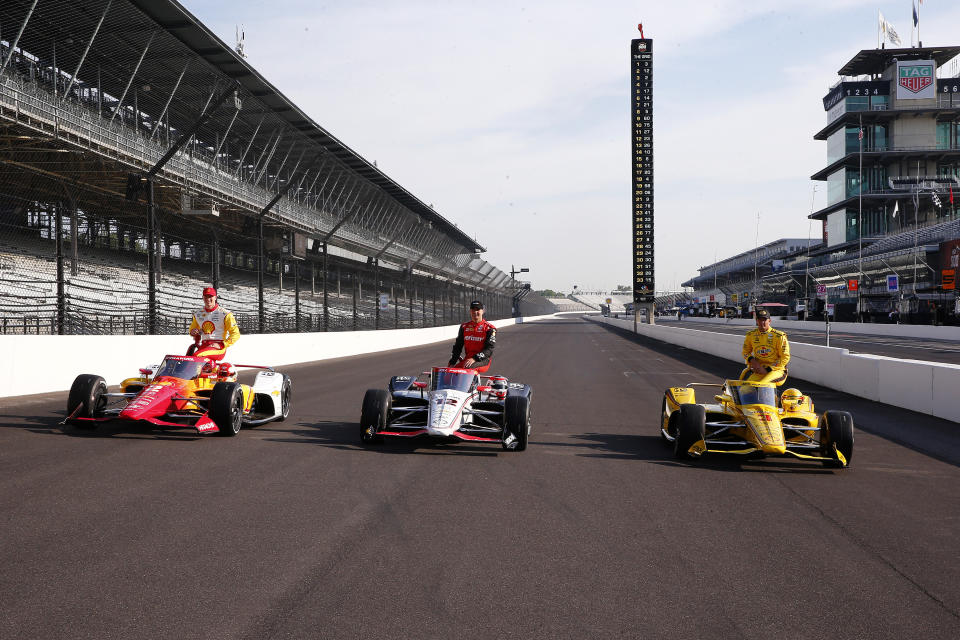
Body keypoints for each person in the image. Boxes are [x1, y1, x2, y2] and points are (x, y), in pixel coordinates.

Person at [188, 287, 240, 362]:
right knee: (187, 359)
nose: (208, 299)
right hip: (203, 346)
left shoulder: (225, 314)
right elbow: (192, 330)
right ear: (203, 298)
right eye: (206, 297)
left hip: (218, 348)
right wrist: (193, 332)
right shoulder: (198, 314)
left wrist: (222, 344)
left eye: (210, 297)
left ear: (215, 297)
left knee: (197, 356)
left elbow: (236, 334)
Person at [740, 308, 790, 386]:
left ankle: (774, 398)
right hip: (760, 370)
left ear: (769, 321)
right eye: (759, 319)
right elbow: (745, 352)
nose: (762, 322)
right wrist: (753, 362)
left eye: (764, 320)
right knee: (745, 389)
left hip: (777, 371)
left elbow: (785, 357)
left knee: (763, 385)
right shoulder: (750, 335)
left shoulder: (779, 336)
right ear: (756, 321)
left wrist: (768, 369)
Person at [448, 300, 496, 373]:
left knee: (467, 368)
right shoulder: (464, 327)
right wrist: (452, 363)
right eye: (473, 309)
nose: (475, 312)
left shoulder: (490, 328)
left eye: (477, 309)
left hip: (483, 361)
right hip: (467, 360)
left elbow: (489, 350)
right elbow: (458, 346)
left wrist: (474, 359)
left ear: (482, 311)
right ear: (470, 311)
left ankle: (471, 384)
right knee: (451, 371)